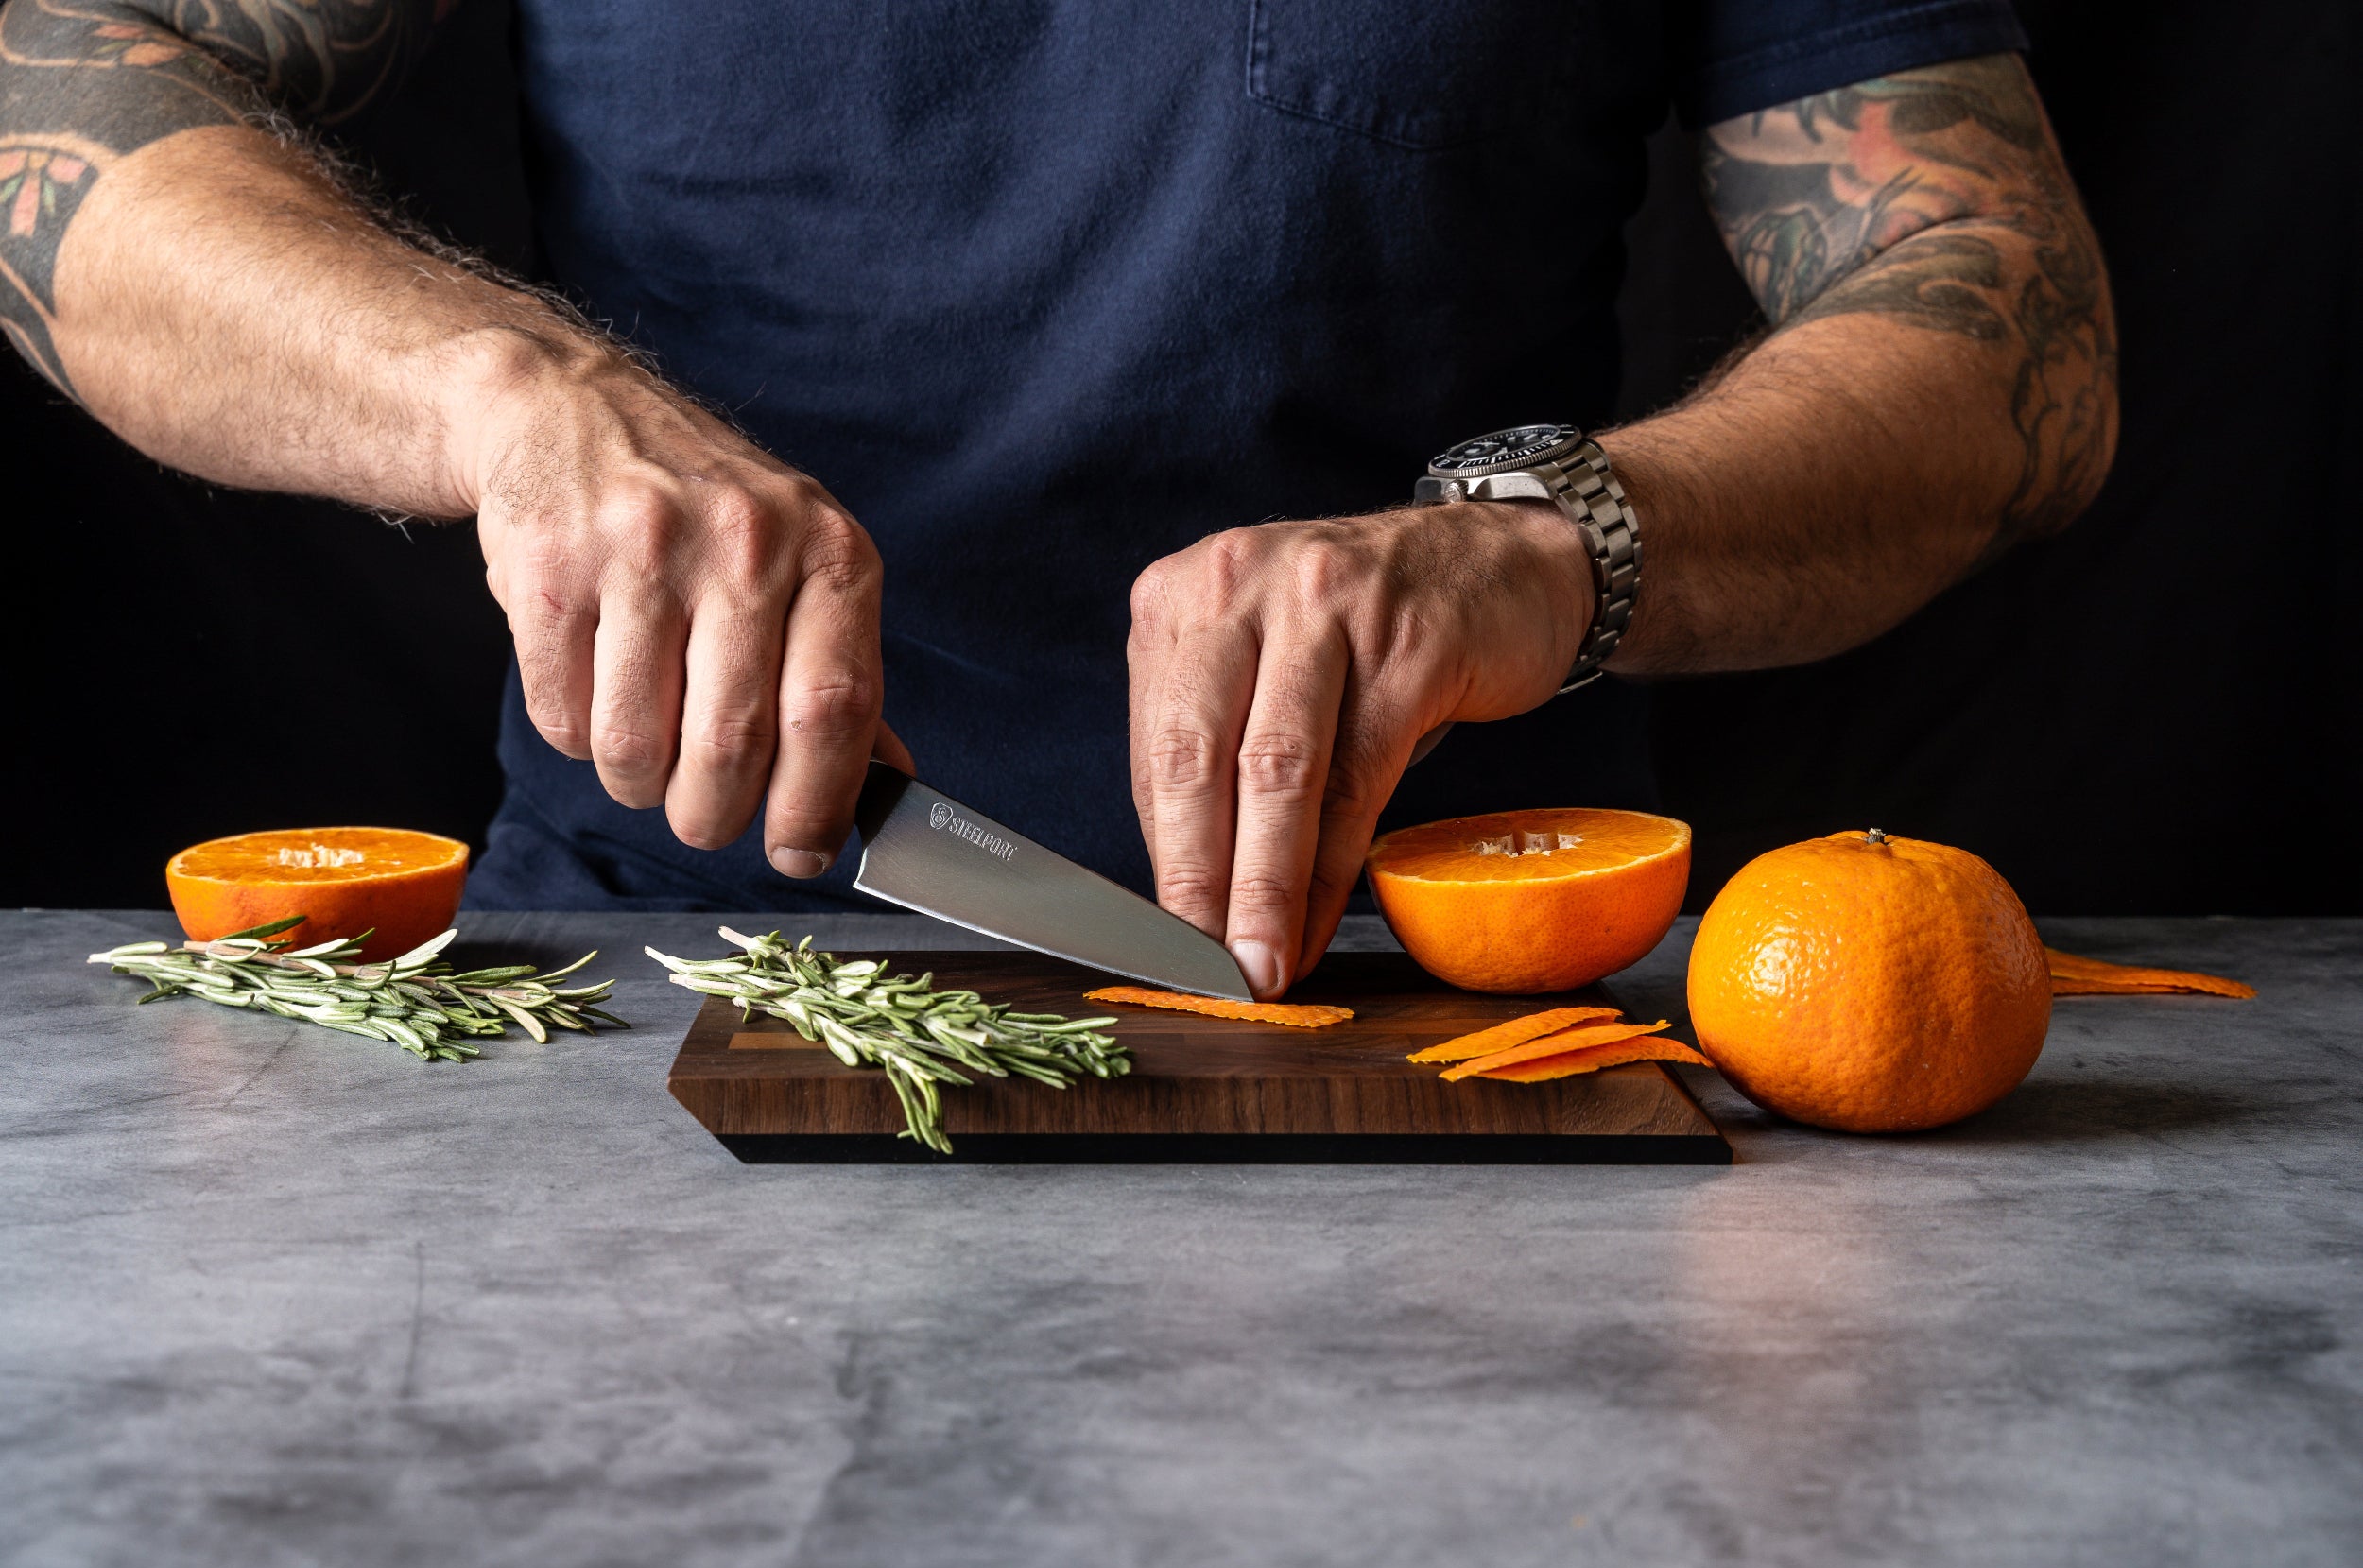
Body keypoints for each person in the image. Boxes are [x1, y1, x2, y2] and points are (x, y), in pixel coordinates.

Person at [0, 1, 2114, 1000]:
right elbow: (54, 91)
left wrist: (1548, 541)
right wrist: (506, 393)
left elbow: (2004, 318)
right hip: (652, 991)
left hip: (1454, 1006)